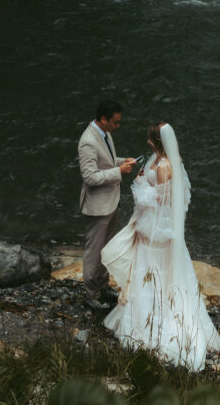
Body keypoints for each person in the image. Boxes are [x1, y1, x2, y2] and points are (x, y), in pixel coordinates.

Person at [101, 122, 220, 371]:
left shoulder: (166, 165)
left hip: (158, 228)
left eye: (150, 138)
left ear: (157, 141)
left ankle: (157, 324)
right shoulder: (156, 158)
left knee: (155, 269)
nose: (147, 142)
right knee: (143, 267)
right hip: (148, 223)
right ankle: (138, 315)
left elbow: (161, 199)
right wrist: (143, 179)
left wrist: (140, 185)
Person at [78, 98, 137, 310]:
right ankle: (91, 294)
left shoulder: (105, 133)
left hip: (111, 203)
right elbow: (90, 177)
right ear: (103, 119)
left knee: (106, 248)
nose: (118, 126)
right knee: (94, 251)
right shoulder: (87, 141)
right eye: (115, 122)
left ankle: (102, 287)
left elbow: (106, 162)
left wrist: (122, 161)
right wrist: (118, 171)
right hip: (97, 206)